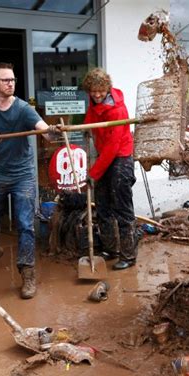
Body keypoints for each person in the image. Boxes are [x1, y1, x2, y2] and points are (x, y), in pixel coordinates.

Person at [0, 62, 59, 299]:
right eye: (6, 80)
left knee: (25, 223)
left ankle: (27, 271)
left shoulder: (23, 109)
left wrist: (52, 132)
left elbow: (44, 130)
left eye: (13, 80)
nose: (11, 83)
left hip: (22, 175)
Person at [82, 67, 139, 270]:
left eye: (101, 91)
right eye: (93, 91)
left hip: (120, 157)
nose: (97, 95)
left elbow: (113, 147)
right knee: (103, 205)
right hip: (103, 156)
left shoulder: (117, 110)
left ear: (108, 88)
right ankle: (110, 249)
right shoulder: (93, 104)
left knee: (122, 208)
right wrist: (84, 130)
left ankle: (128, 255)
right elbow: (89, 121)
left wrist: (94, 173)